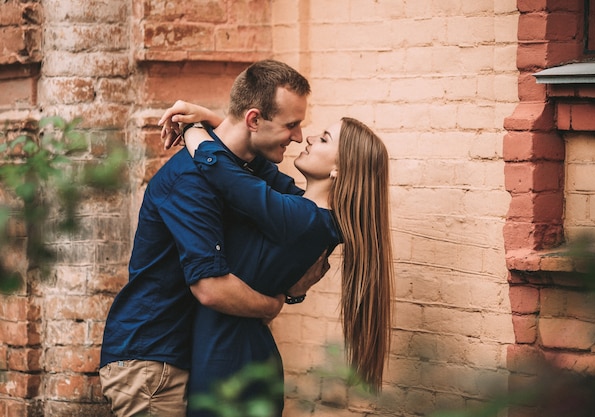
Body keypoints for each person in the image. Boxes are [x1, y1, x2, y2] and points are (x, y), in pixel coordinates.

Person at [98, 60, 326, 417]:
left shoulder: (236, 174)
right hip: (153, 364)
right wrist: (275, 303)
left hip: (191, 356)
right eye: (291, 125)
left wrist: (206, 122)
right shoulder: (193, 180)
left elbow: (241, 163)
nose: (298, 137)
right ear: (253, 119)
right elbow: (211, 288)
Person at [160, 101, 394, 416]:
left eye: (324, 139)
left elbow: (221, 170)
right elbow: (261, 169)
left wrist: (191, 127)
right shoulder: (306, 213)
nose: (308, 139)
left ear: (341, 168)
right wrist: (219, 121)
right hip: (235, 352)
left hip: (231, 360)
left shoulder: (301, 219)